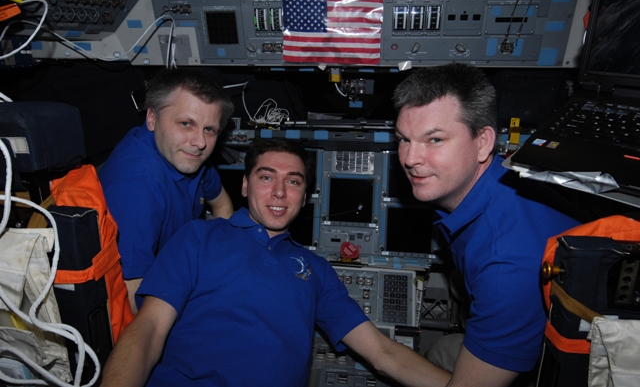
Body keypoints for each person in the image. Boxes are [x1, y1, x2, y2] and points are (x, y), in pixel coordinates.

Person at [99, 138, 451, 387]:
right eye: (266, 177)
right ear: (245, 185)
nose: (279, 192)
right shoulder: (198, 237)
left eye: (293, 181)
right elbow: (148, 330)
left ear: (304, 195)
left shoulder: (316, 270)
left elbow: (384, 353)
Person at [392, 62, 580, 387]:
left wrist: (379, 352)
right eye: (403, 139)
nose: (410, 158)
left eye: (434, 139)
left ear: (483, 142)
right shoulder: (504, 180)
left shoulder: (505, 264)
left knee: (437, 353)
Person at [98, 68, 235, 314]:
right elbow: (132, 297)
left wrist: (214, 261)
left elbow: (222, 205)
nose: (200, 143)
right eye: (186, 124)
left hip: (177, 268)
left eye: (209, 130)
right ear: (152, 118)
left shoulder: (186, 155)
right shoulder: (138, 187)